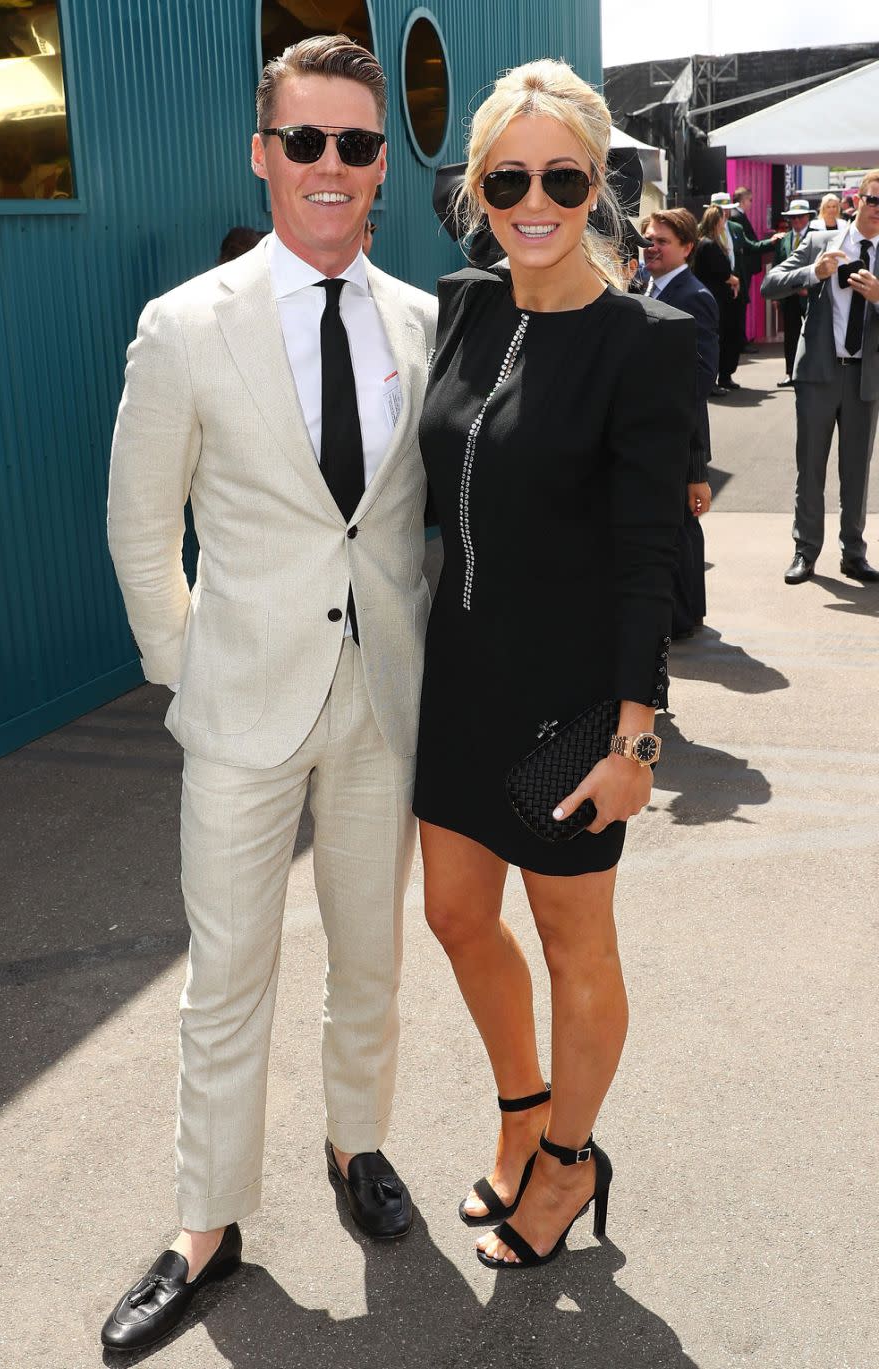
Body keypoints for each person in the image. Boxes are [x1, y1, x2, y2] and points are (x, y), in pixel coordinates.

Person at [103, 34, 437, 1352]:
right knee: (225, 978)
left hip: (381, 708)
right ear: (264, 152)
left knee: (371, 956)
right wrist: (186, 667)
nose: (334, 168)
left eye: (359, 144)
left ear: (379, 167)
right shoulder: (186, 325)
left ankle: (357, 1144)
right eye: (308, 142)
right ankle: (206, 1222)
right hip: (241, 708)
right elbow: (142, 525)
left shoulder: (424, 318)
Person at [414, 58, 696, 1270]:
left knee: (580, 942)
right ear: (480, 187)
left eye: (565, 178)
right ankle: (522, 1108)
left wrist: (636, 739)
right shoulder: (464, 304)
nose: (536, 200)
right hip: (461, 677)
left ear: (601, 187)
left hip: (574, 706)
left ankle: (570, 1163)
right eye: (510, 177)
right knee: (454, 914)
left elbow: (649, 557)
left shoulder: (647, 341)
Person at [762, 169, 879, 585]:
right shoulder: (819, 241)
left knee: (857, 470)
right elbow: (769, 285)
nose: (878, 210)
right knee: (810, 466)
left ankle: (853, 552)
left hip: (865, 379)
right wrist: (814, 272)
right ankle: (805, 551)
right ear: (857, 201)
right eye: (874, 200)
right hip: (819, 374)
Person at [642, 208, 719, 636]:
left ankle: (687, 619)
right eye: (649, 239)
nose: (651, 247)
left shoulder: (694, 296)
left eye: (662, 242)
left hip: (676, 436)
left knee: (680, 527)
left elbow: (700, 378)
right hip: (650, 435)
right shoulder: (644, 286)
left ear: (687, 248)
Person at [693, 202, 740, 396]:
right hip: (716, 298)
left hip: (715, 296)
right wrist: (735, 280)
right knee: (717, 339)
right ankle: (713, 381)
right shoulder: (709, 244)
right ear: (717, 220)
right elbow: (722, 272)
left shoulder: (703, 242)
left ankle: (722, 378)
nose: (724, 222)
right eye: (722, 219)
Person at [729, 186, 783, 352]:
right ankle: (740, 342)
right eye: (750, 200)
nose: (751, 204)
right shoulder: (736, 217)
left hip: (744, 268)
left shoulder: (738, 216)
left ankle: (741, 341)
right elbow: (748, 245)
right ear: (743, 200)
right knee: (739, 305)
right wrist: (770, 243)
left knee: (742, 304)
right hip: (740, 269)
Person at [772, 199, 813, 388]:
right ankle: (791, 373)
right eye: (793, 217)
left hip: (812, 296)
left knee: (815, 334)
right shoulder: (784, 240)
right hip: (789, 297)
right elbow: (777, 268)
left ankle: (812, 373)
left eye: (800, 216)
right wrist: (776, 295)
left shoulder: (817, 237)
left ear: (808, 217)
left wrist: (809, 287)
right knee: (791, 336)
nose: (796, 220)